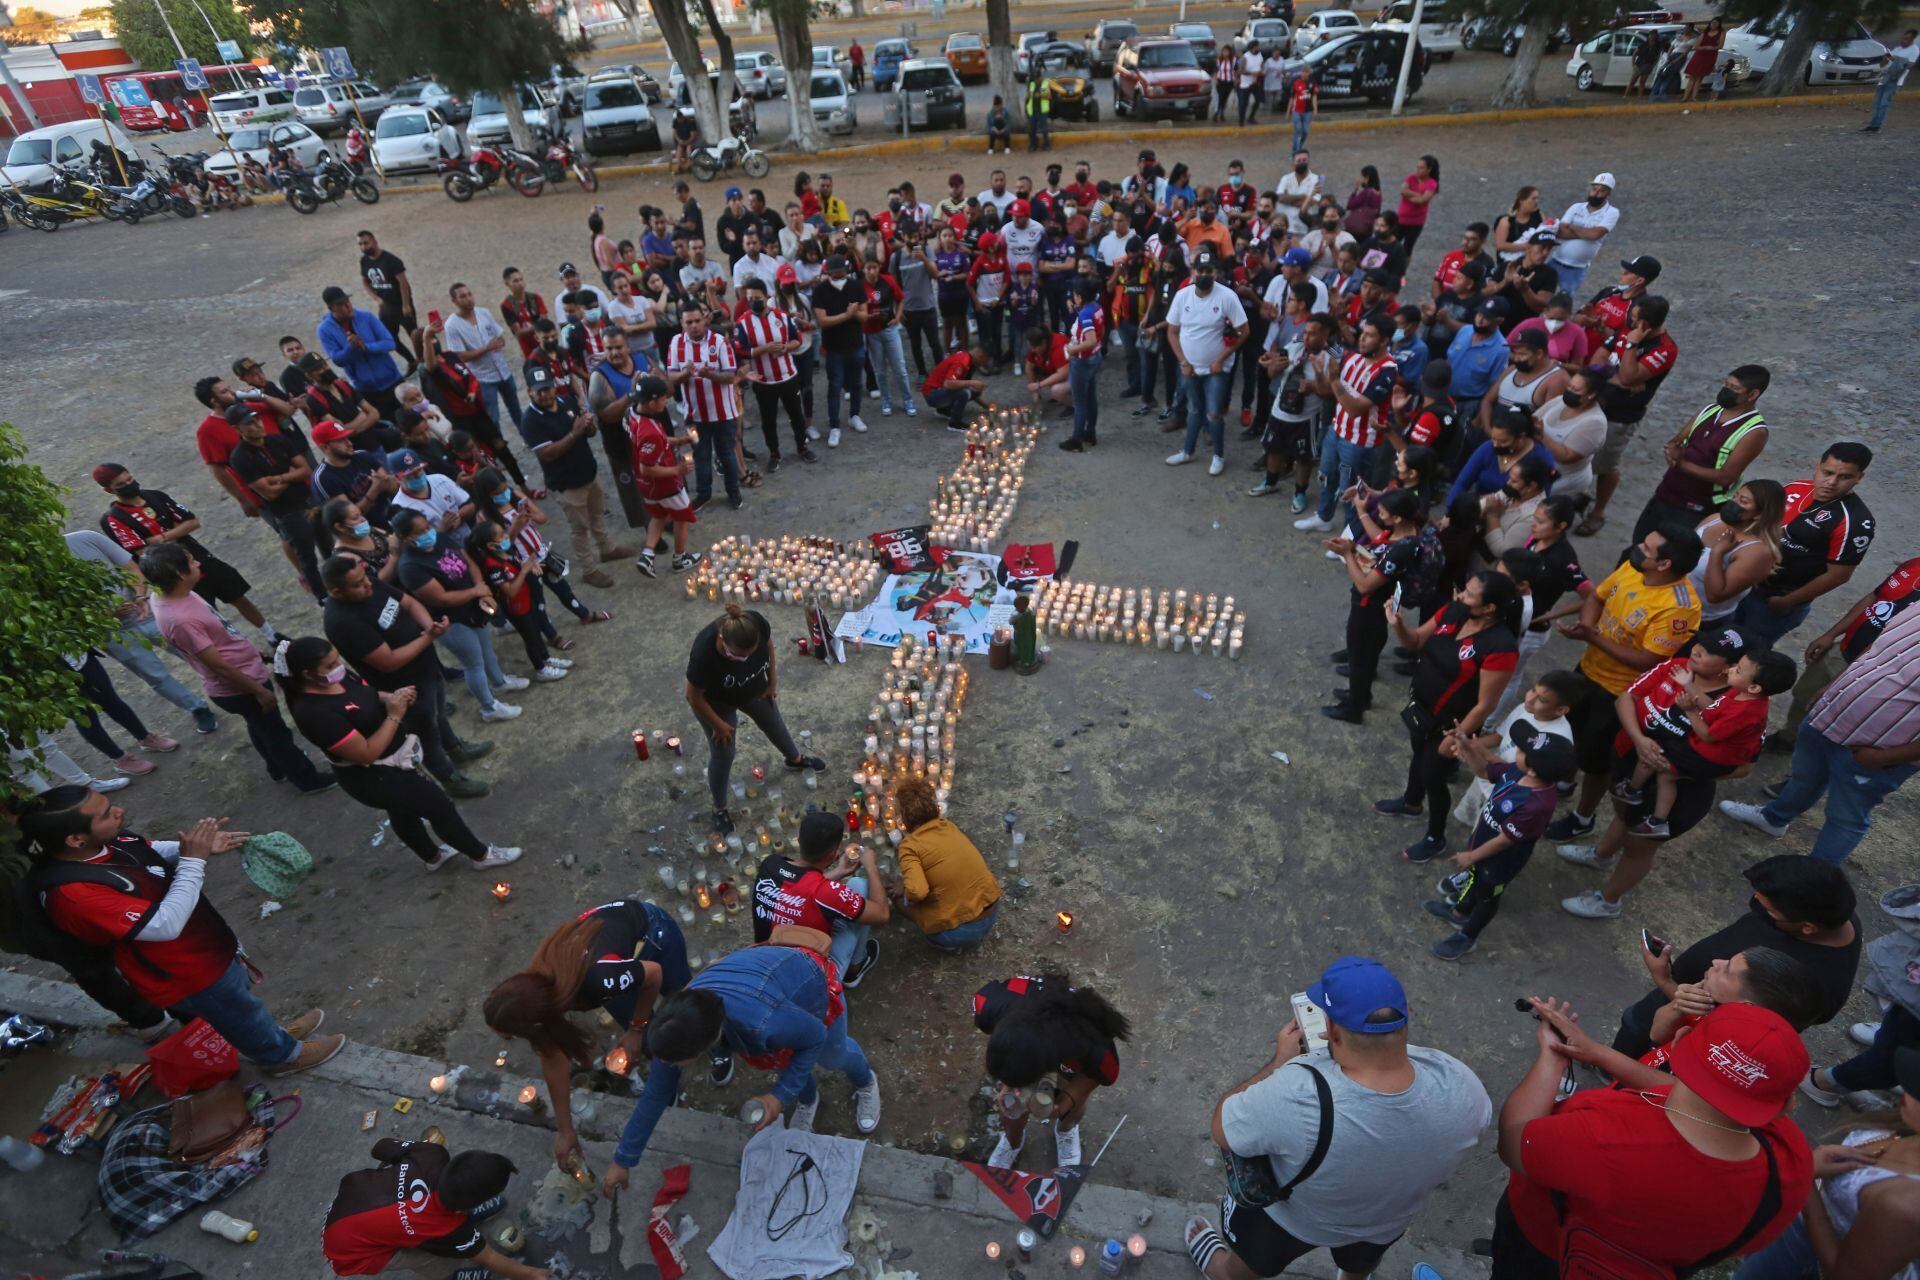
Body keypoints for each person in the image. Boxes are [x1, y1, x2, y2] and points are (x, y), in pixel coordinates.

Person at [1188, 955, 1490, 1280]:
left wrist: (1279, 1063)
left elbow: (1222, 1128)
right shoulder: (1461, 1083)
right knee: (1360, 1264)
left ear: (1330, 1028)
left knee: (1247, 1266)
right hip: (1384, 1223)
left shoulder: (1296, 1094)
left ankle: (1223, 1274)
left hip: (1291, 1221)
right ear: (1407, 1015)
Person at [23, 785, 347, 1075]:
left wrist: (194, 847)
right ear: (75, 840)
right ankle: (282, 1056)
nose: (119, 810)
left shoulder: (104, 840)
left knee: (240, 1005)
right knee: (238, 1014)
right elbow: (164, 925)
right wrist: (194, 861)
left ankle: (272, 1035)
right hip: (185, 973)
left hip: (204, 948)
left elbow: (147, 851)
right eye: (107, 813)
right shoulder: (74, 895)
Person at [1489, 1000, 1812, 1280]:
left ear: (1680, 1040)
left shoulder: (1602, 1138)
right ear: (1785, 1105)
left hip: (1547, 1248)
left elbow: (1514, 1142)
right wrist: (1599, 1053)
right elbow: (1705, 1098)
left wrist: (1552, 1058)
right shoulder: (1791, 1158)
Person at [599, 944, 883, 1198]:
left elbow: (814, 1036)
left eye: (675, 1063)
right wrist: (623, 1160)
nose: (668, 1067)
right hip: (765, 990)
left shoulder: (761, 1023)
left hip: (808, 984)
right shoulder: (678, 1025)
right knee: (782, 1060)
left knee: (832, 1055)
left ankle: (866, 1081)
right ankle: (808, 1099)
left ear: (706, 1046)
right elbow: (655, 1094)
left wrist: (779, 1095)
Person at [276, 635, 515, 873]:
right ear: (308, 674)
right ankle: (481, 856)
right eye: (330, 665)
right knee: (439, 806)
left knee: (402, 810)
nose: (339, 667)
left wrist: (392, 697)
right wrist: (394, 714)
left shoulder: (336, 677)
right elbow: (366, 754)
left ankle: (433, 857)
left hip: (392, 764)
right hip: (374, 777)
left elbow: (366, 693)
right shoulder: (314, 713)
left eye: (337, 659)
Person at [483, 901, 688, 1168]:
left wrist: (636, 1029)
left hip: (651, 934)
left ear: (537, 1023)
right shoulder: (536, 991)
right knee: (652, 1039)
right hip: (608, 956)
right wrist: (565, 1130)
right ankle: (666, 1082)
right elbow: (552, 1058)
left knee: (683, 1002)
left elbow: (653, 973)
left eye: (514, 1035)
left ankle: (718, 1049)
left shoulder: (599, 980)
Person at [1720, 602, 1920, 865]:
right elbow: (1878, 648)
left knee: (1845, 817)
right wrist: (1832, 685)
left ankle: (1816, 877)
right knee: (1804, 777)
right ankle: (1774, 818)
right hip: (1829, 715)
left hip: (1874, 752)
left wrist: (1884, 757)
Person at [1546, 525, 1705, 851]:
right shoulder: (1635, 568)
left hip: (1619, 693)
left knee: (1597, 763)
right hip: (1588, 671)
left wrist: (1592, 638)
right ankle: (1564, 779)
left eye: (1647, 548)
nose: (1638, 548)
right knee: (1569, 731)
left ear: (1664, 564)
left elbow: (1648, 660)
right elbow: (1597, 596)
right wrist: (1587, 626)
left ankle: (1582, 818)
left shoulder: (1679, 608)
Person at [1609, 855, 1860, 1059]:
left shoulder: (1814, 987)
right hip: (1680, 995)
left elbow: (1720, 1027)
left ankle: (1611, 1074)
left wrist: (1666, 982)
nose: (1757, 907)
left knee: (1636, 1035)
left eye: (1767, 910)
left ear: (1808, 927)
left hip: (1681, 1015)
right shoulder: (1829, 908)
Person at [143, 545, 335, 794]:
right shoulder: (180, 620)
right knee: (276, 733)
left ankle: (277, 768)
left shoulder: (174, 594)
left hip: (244, 675)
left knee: (259, 726)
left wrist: (252, 652)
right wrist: (258, 691)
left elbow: (219, 637)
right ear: (179, 574)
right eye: (191, 561)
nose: (198, 563)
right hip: (240, 686)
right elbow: (217, 665)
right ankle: (307, 780)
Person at [1740, 1046, 1920, 1280]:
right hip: (1794, 1228)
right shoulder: (1907, 1127)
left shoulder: (1905, 1206)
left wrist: (1804, 1176)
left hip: (1805, 1259)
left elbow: (1842, 1274)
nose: (1907, 1091)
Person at [1377, 570, 1521, 862]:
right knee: (1419, 755)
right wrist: (1398, 625)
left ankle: (1435, 837)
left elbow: (1485, 705)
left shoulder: (1501, 647)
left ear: (1489, 608)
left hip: (1451, 725)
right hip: (1422, 709)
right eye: (1464, 589)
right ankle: (1411, 802)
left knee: (1433, 776)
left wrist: (1456, 738)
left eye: (1469, 594)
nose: (1460, 596)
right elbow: (1415, 641)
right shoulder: (1453, 611)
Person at [321, 555, 492, 799]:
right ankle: (450, 779)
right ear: (337, 592)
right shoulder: (343, 622)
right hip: (404, 685)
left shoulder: (368, 583)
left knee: (439, 713)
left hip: (426, 666)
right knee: (426, 733)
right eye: (358, 584)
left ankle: (456, 748)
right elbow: (388, 661)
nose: (368, 584)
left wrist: (429, 625)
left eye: (364, 577)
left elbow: (409, 603)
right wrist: (429, 638)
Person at [1616, 649, 1795, 840]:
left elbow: (1708, 735)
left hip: (1711, 757)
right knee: (1665, 773)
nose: (1731, 669)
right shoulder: (1743, 693)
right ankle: (1655, 819)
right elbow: (1712, 707)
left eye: (1738, 670)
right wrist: (1688, 684)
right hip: (1714, 752)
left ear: (1754, 687)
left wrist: (1690, 711)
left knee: (1654, 756)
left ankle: (1632, 791)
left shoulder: (1743, 712)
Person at [62, 528, 219, 736]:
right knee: (155, 675)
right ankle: (196, 708)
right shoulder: (40, 571)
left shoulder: (86, 538)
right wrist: (105, 616)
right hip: (112, 633)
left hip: (146, 612)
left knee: (195, 650)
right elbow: (62, 615)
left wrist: (139, 597)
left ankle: (229, 682)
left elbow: (132, 568)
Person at [685, 604, 825, 837]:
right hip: (715, 703)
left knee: (773, 721)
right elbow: (693, 696)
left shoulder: (755, 623)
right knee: (723, 753)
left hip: (753, 688)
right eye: (738, 656)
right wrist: (718, 724)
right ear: (722, 640)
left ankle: (795, 759)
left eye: (750, 654)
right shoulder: (704, 653)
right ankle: (719, 808)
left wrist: (772, 682)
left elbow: (768, 646)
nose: (744, 660)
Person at [323, 1141, 547, 1280]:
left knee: (408, 1229)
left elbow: (378, 1148)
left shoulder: (431, 1153)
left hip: (350, 1201)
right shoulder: (449, 1229)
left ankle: (401, 1230)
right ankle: (451, 1276)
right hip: (350, 1253)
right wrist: (531, 1275)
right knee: (435, 1259)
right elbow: (487, 1257)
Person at [974, 973, 1128, 1170]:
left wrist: (1067, 1099)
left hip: (1066, 1056)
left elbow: (1095, 1078)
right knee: (1012, 1106)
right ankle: (1012, 1142)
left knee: (1070, 1107)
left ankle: (1066, 1130)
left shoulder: (1092, 1047)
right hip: (1035, 1049)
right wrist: (1009, 1086)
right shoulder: (989, 1006)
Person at [391, 509, 526, 723]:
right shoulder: (410, 567)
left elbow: (468, 562)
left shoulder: (442, 538)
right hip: (451, 621)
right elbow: (441, 599)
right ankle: (489, 708)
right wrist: (476, 592)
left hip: (473, 609)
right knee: (473, 663)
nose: (428, 533)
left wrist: (482, 590)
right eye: (420, 531)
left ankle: (499, 682)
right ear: (406, 538)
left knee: (486, 649)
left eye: (428, 527)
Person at [1735, 443, 1875, 648]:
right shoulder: (1796, 488)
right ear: (1817, 467)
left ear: (1859, 478)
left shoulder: (1854, 522)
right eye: (1828, 472)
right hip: (1743, 581)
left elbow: (1838, 576)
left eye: (1845, 477)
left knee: (1746, 651)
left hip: (1774, 599)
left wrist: (1787, 601)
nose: (1831, 482)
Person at [517, 366, 631, 590]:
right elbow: (547, 454)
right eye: (539, 391)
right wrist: (574, 432)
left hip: (588, 473)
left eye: (547, 388)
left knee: (597, 515)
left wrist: (588, 427)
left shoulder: (567, 402)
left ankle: (607, 549)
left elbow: (588, 433)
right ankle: (589, 570)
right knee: (579, 528)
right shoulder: (530, 420)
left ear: (553, 386)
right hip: (566, 484)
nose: (544, 394)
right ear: (529, 391)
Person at [1324, 489, 1433, 724]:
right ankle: (1360, 694)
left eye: (1382, 513)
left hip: (1369, 606)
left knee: (1360, 655)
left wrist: (1348, 555)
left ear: (1397, 518)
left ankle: (1354, 708)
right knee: (1368, 650)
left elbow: (1365, 586)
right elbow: (1379, 545)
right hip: (1379, 606)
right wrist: (1355, 547)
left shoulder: (1399, 551)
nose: (1379, 516)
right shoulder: (1407, 534)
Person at [1633, 365, 1771, 543]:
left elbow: (1726, 477)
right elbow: (1678, 440)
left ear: (1753, 395)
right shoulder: (1710, 411)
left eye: (1734, 388)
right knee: (1639, 545)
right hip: (1664, 495)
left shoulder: (1754, 431)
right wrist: (1672, 450)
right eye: (1726, 385)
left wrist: (1681, 464)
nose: (1726, 390)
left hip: (1694, 509)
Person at [752, 810, 888, 985]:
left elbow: (801, 886)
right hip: (807, 980)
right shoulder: (827, 893)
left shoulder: (770, 864)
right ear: (834, 853)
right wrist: (871, 866)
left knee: (850, 898)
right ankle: (854, 967)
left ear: (799, 841)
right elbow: (882, 914)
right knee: (860, 887)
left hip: (765, 965)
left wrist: (839, 871)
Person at [874, 775, 999, 951]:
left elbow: (917, 892)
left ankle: (946, 942)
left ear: (905, 817)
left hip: (963, 931)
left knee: (899, 899)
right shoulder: (948, 826)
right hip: (992, 911)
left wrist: (904, 889)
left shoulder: (910, 846)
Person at [1296, 317, 1397, 534]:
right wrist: (1320, 372)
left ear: (1384, 341)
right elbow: (1325, 381)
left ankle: (1350, 537)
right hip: (1336, 431)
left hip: (1359, 442)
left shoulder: (1387, 372)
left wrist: (1334, 380)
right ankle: (1324, 517)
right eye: (1363, 333)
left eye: (1370, 335)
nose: (1362, 339)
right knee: (1326, 476)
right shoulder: (1350, 356)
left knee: (1351, 491)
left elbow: (1355, 409)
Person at [226, 401, 326, 603]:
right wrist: (290, 474)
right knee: (307, 559)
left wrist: (277, 479)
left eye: (257, 419)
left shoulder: (277, 440)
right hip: (288, 512)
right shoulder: (240, 458)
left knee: (328, 546)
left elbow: (305, 470)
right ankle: (323, 597)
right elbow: (269, 494)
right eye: (249, 423)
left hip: (308, 501)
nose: (257, 425)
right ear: (237, 429)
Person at [664, 303, 745, 511]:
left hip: (723, 413)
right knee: (701, 456)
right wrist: (685, 374)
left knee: (727, 454)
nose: (694, 326)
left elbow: (730, 376)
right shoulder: (676, 343)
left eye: (697, 321)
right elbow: (671, 376)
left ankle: (733, 491)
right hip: (694, 416)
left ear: (705, 320)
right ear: (682, 323)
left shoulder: (719, 342)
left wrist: (709, 375)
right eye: (689, 322)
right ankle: (703, 494)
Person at [441, 283, 523, 441]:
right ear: (454, 301)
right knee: (493, 418)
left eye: (469, 294)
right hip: (483, 378)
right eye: (463, 296)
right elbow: (459, 357)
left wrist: (500, 342)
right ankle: (501, 447)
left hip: (503, 371)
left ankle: (527, 438)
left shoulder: (484, 313)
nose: (468, 299)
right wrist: (486, 348)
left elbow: (498, 335)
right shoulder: (452, 325)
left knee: (516, 410)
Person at [318, 285, 405, 421]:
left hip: (393, 380)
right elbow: (337, 359)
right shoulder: (324, 330)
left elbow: (390, 343)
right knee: (388, 426)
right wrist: (351, 348)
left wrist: (366, 347)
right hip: (367, 389)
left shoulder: (367, 317)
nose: (347, 306)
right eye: (340, 304)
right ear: (331, 308)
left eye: (347, 301)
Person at [355, 229, 420, 378]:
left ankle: (423, 361)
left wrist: (406, 305)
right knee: (390, 338)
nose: (364, 247)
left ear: (374, 241)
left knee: (415, 335)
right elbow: (365, 281)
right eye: (360, 244)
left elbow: (403, 283)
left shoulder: (391, 260)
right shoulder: (364, 261)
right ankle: (412, 361)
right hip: (386, 307)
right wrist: (376, 299)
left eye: (366, 243)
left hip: (401, 305)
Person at [1545, 173, 1620, 300]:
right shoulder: (1576, 207)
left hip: (1576, 269)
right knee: (1541, 293)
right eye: (1594, 189)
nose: (1596, 193)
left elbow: (1596, 234)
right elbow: (1560, 231)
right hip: (1556, 260)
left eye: (1601, 191)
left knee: (1564, 301)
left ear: (1608, 193)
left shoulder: (1612, 212)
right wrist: (1587, 233)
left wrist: (1573, 227)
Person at [923, 344, 990, 432]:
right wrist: (972, 382)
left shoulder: (969, 360)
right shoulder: (962, 361)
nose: (983, 365)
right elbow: (948, 384)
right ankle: (954, 424)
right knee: (964, 392)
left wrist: (987, 406)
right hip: (932, 394)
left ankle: (943, 410)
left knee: (973, 390)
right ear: (981, 356)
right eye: (984, 362)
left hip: (938, 391)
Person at [1865, 28, 1918, 131]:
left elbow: (1908, 65)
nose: (1903, 41)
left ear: (1912, 40)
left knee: (1884, 103)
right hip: (1885, 77)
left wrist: (1894, 58)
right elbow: (1885, 62)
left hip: (1895, 80)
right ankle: (1873, 124)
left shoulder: (1914, 50)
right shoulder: (1898, 48)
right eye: (1903, 38)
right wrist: (1886, 57)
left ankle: (1877, 125)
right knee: (1878, 102)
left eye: (1906, 39)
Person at [1395, 156, 1439, 257]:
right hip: (1401, 219)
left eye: (1421, 168)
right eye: (1417, 167)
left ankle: (1402, 267)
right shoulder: (1411, 177)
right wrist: (1419, 195)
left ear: (1429, 169)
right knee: (1390, 242)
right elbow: (1402, 191)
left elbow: (1423, 201)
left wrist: (1408, 196)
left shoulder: (1432, 183)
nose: (1418, 170)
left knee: (1408, 248)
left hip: (1416, 222)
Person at [1682, 18, 1724, 101]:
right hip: (1699, 55)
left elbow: (1720, 46)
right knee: (1692, 76)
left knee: (1700, 77)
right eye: (1712, 23)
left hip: (1710, 56)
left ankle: (1694, 97)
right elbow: (1696, 46)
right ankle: (1685, 97)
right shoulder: (1704, 33)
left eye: (1716, 23)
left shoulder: (1721, 33)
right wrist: (1705, 47)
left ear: (1719, 24)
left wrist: (1712, 48)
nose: (1713, 25)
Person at [1287, 67, 1317, 155]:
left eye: (1306, 72)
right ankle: (1295, 151)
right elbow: (1292, 98)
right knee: (1298, 129)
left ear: (1309, 73)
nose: (1304, 74)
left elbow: (1314, 96)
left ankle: (1299, 146)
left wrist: (1315, 109)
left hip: (1308, 111)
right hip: (1296, 110)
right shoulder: (1296, 82)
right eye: (1303, 72)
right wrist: (1288, 111)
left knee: (1305, 131)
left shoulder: (1312, 82)